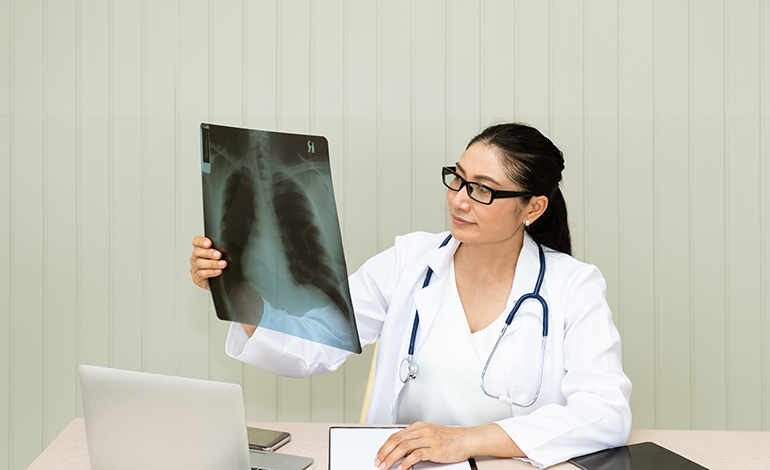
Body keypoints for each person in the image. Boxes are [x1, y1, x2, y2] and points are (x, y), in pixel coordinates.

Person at [189, 123, 632, 469]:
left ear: (532, 208)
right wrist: (236, 290)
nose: (459, 201)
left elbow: (606, 412)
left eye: (482, 189)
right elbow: (314, 346)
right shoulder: (410, 260)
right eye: (457, 180)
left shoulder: (573, 285)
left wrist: (464, 440)